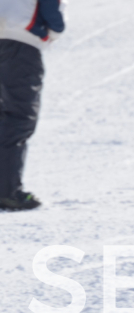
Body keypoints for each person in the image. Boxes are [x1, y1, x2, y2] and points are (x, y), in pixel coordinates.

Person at [0, 0, 66, 211]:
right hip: (20, 45)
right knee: (18, 117)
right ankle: (7, 193)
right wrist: (54, 31)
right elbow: (52, 14)